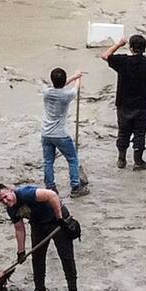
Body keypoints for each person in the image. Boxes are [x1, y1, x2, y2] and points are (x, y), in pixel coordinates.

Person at [0, 182, 80, 291]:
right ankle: (40, 290)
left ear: (11, 191)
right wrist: (21, 252)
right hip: (38, 225)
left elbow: (52, 195)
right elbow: (19, 229)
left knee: (66, 257)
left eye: (5, 197)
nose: (5, 201)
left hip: (57, 220)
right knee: (37, 258)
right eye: (1, 200)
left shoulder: (26, 193)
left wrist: (60, 219)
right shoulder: (11, 209)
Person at [100, 34, 146, 171]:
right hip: (143, 106)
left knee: (123, 132)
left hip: (123, 105)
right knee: (140, 133)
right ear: (144, 48)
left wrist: (118, 44)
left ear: (131, 48)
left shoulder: (122, 61)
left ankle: (121, 160)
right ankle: (138, 162)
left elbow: (105, 55)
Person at [40, 67, 88, 198]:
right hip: (60, 134)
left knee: (48, 161)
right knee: (72, 159)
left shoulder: (46, 92)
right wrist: (77, 78)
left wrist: (73, 77)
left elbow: (60, 85)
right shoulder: (67, 96)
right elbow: (75, 89)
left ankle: (50, 187)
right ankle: (75, 187)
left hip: (46, 133)